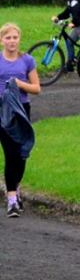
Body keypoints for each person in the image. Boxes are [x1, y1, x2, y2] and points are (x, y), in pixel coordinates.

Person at [0, 23, 42, 217]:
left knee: (21, 153)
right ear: (2, 41)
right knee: (10, 152)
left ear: (19, 40)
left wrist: (19, 84)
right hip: (2, 110)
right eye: (7, 38)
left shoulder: (27, 61)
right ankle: (11, 200)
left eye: (14, 38)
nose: (11, 41)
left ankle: (15, 189)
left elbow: (36, 88)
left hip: (21, 110)